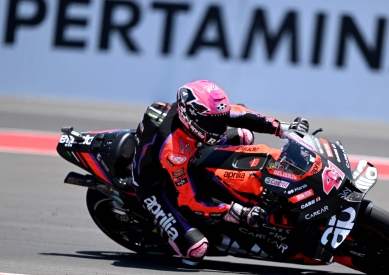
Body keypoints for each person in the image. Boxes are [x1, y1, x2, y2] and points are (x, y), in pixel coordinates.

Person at [131, 79, 309, 265]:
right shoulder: (173, 151)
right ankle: (165, 231)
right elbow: (190, 200)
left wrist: (283, 128)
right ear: (190, 117)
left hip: (192, 152)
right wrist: (237, 211)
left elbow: (242, 114)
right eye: (212, 122)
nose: (220, 127)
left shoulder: (202, 115)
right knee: (196, 250)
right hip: (155, 187)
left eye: (221, 119)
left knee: (244, 135)